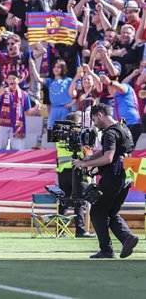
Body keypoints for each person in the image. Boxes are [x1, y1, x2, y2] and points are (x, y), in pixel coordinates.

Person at [72, 103, 139, 259]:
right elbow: (108, 152)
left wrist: (84, 163)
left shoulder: (109, 133)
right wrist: (91, 158)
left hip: (114, 176)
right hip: (127, 176)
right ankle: (127, 238)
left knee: (97, 210)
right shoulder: (123, 128)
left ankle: (107, 250)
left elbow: (108, 158)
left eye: (94, 119)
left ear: (100, 114)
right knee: (110, 211)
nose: (94, 123)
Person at [55, 112, 94, 239]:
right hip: (77, 171)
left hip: (63, 172)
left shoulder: (60, 136)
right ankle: (80, 230)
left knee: (64, 201)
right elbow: (87, 154)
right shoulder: (81, 136)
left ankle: (60, 231)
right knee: (80, 201)